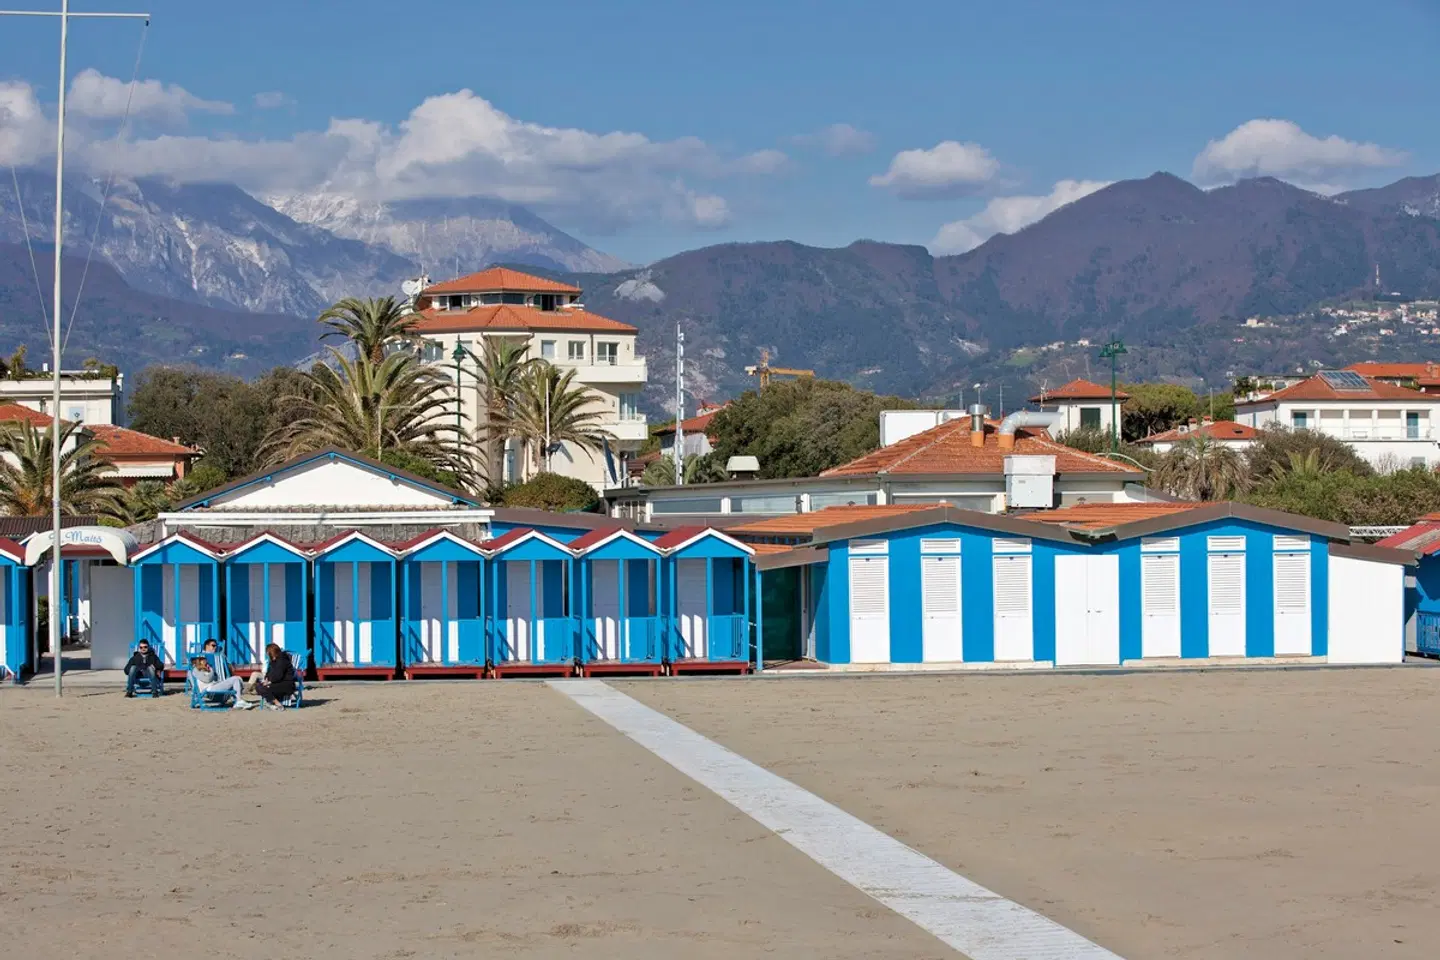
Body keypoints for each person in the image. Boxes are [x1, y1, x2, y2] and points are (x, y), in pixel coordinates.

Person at [188, 655, 254, 710]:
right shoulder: (195, 670)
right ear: (199, 661)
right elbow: (207, 679)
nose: (206, 661)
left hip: (214, 689)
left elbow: (214, 679)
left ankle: (239, 700)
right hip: (209, 691)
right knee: (235, 679)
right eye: (203, 660)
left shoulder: (205, 670)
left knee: (238, 678)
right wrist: (211, 670)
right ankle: (239, 701)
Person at [255, 643, 297, 710]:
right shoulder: (274, 661)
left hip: (286, 685)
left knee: (262, 688)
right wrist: (266, 679)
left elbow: (278, 676)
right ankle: (275, 702)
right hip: (276, 683)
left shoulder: (282, 660)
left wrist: (269, 682)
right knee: (258, 686)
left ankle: (275, 703)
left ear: (272, 652)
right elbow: (269, 673)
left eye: (268, 653)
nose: (268, 655)